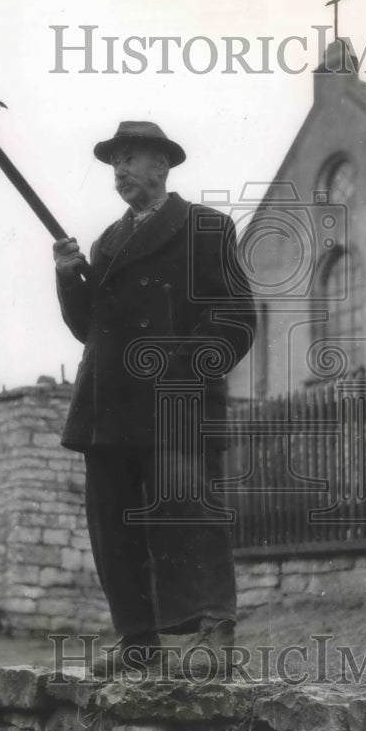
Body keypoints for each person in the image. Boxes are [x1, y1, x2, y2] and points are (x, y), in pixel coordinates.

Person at [53, 121, 255, 678]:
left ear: (161, 166)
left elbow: (236, 319)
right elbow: (87, 329)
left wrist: (182, 364)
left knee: (190, 510)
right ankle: (137, 638)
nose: (119, 170)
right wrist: (70, 278)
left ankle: (215, 630)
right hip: (108, 404)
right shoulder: (106, 243)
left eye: (131, 158)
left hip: (175, 400)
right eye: (114, 161)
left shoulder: (207, 228)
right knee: (111, 521)